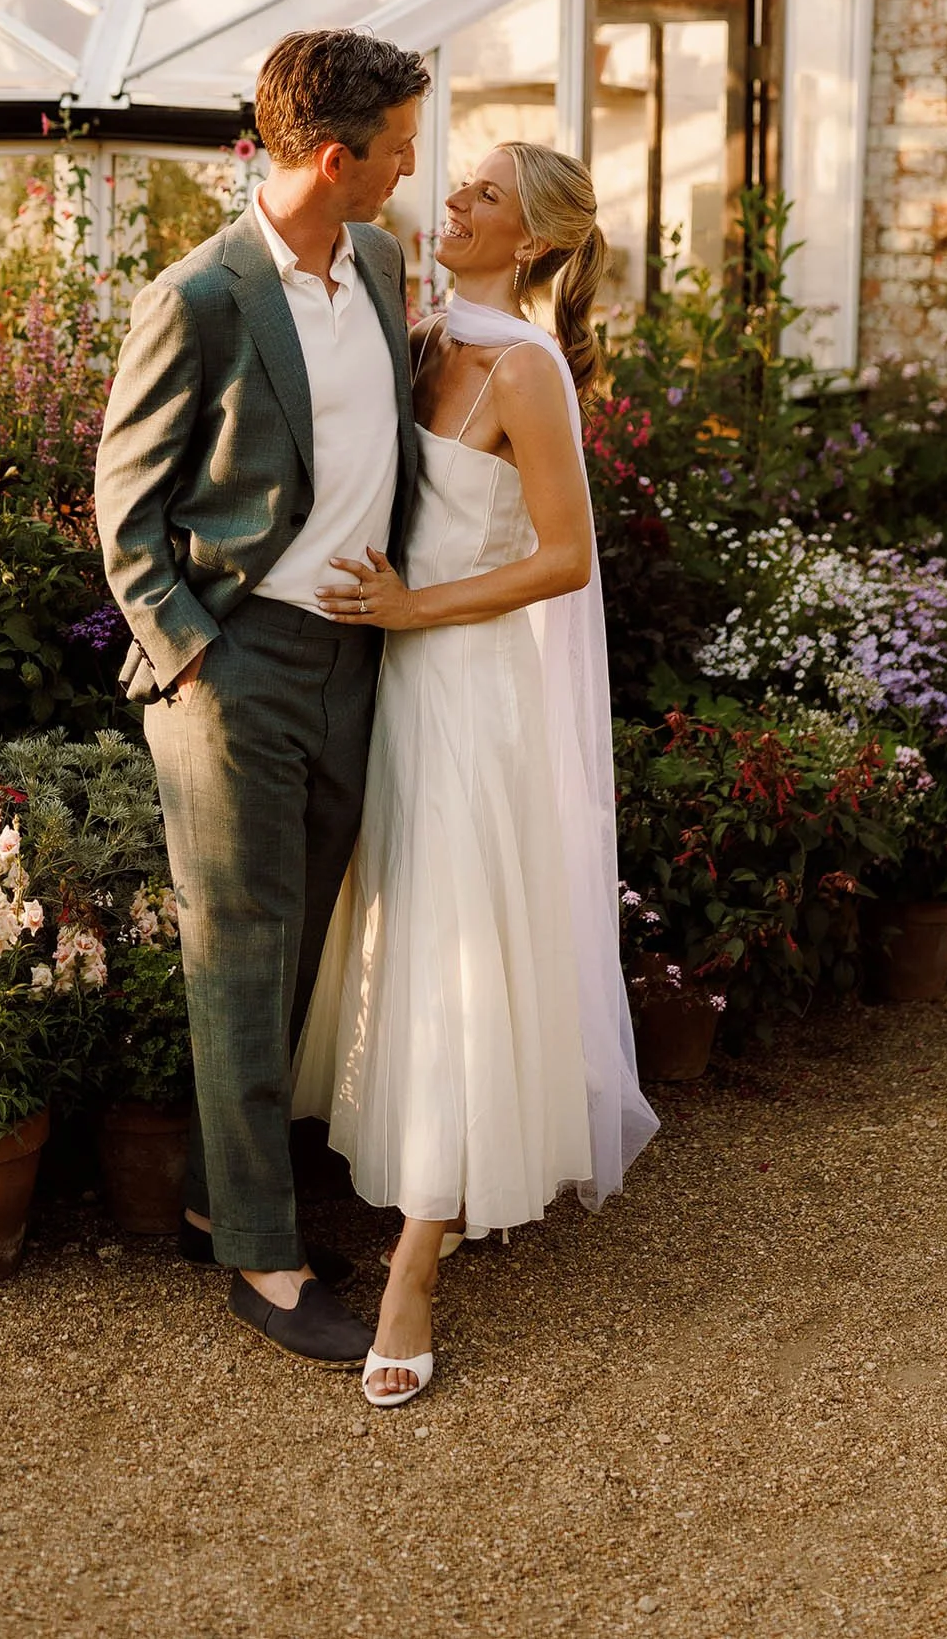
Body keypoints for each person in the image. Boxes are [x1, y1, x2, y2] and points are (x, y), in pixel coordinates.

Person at [292, 140, 658, 1408]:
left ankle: (412, 1270)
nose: (451, 200)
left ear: (536, 241)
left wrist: (415, 609)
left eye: (483, 195)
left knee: (452, 953)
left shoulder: (526, 372)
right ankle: (426, 1178)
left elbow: (563, 559)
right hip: (393, 680)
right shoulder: (420, 332)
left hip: (467, 690)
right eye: (459, 184)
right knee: (398, 937)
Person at [94, 27, 428, 1370]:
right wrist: (190, 653)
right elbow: (125, 503)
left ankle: (211, 1194)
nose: (417, 163)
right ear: (335, 155)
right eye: (401, 145)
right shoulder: (204, 295)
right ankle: (266, 1259)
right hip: (236, 664)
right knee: (238, 947)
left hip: (357, 655)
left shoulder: (386, 261)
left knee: (290, 951)